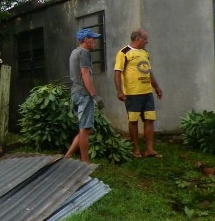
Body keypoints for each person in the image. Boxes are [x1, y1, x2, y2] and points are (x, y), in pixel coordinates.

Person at [113, 28, 163, 158]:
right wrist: (120, 91)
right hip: (133, 94)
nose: (147, 41)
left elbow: (148, 71)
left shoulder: (145, 53)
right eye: (145, 39)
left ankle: (149, 149)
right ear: (138, 38)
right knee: (133, 120)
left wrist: (156, 87)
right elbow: (117, 73)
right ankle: (136, 149)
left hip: (147, 93)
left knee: (150, 119)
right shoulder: (124, 52)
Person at [65, 28, 105, 163]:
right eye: (92, 38)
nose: (95, 41)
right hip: (83, 94)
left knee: (83, 128)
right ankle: (85, 162)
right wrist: (94, 95)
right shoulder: (84, 52)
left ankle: (69, 154)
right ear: (85, 40)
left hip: (75, 93)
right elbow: (85, 74)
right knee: (85, 129)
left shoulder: (74, 52)